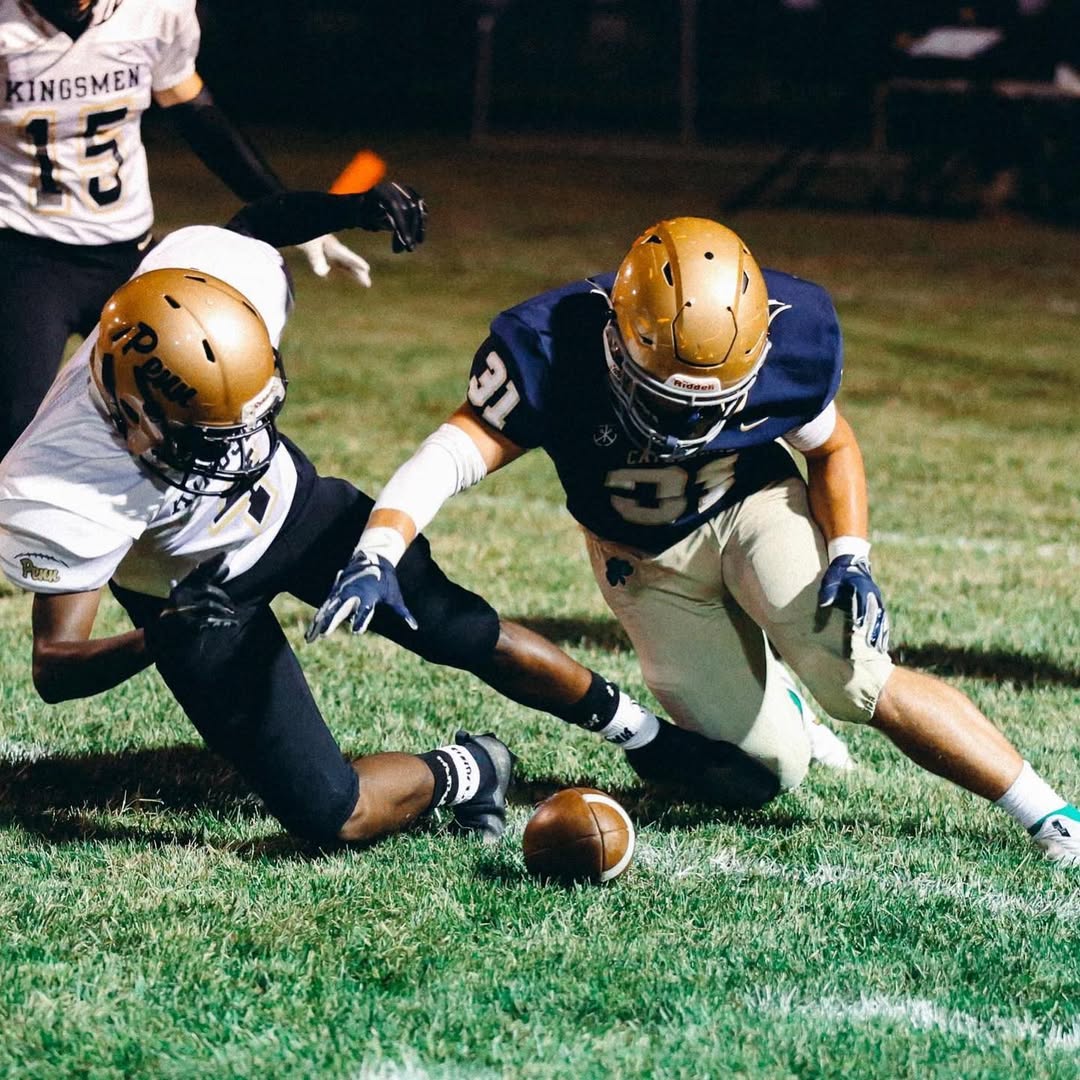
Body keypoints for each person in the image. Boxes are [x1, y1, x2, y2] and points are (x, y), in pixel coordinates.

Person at [307, 215, 1080, 866]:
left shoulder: (791, 335)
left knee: (854, 679)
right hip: (643, 559)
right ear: (617, 340)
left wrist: (851, 552)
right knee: (770, 770)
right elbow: (451, 454)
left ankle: (1048, 812)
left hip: (752, 507)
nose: (688, 423)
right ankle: (786, 708)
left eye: (711, 403)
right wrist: (378, 549)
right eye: (666, 399)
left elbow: (831, 446)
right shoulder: (552, 346)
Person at [0, 187, 734, 847]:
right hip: (192, 597)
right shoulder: (59, 482)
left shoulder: (210, 285)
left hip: (295, 512)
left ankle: (645, 737)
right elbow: (55, 667)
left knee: (461, 627)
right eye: (212, 435)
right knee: (332, 815)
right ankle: (472, 769)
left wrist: (350, 205)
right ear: (135, 419)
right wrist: (162, 633)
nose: (241, 444)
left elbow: (253, 225)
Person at [0, 0, 374, 460]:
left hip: (129, 251)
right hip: (27, 253)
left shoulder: (153, 9)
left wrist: (294, 213)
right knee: (15, 430)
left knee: (192, 411)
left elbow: (197, 114)